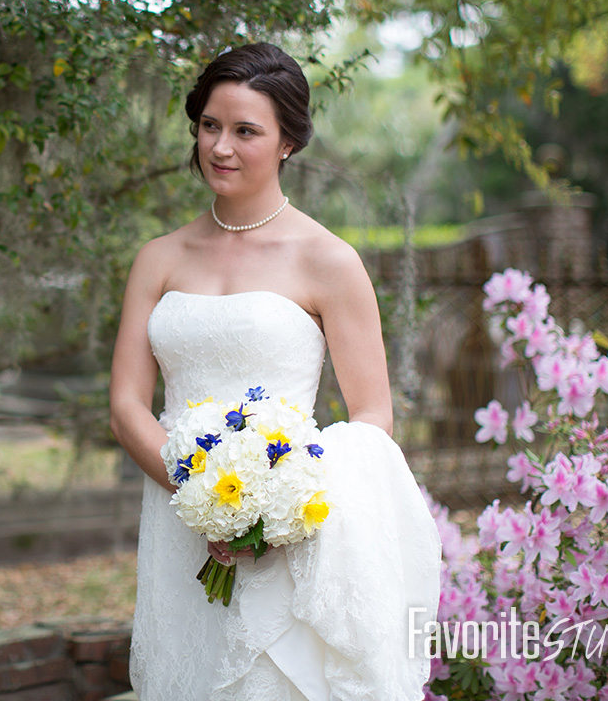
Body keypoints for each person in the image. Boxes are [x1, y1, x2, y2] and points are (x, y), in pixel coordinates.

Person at [109, 43, 442, 701]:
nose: (221, 147)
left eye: (245, 131)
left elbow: (372, 415)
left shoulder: (329, 261)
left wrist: (272, 507)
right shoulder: (158, 259)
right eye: (209, 126)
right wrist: (203, 497)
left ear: (288, 141)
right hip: (179, 518)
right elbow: (126, 404)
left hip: (286, 534)